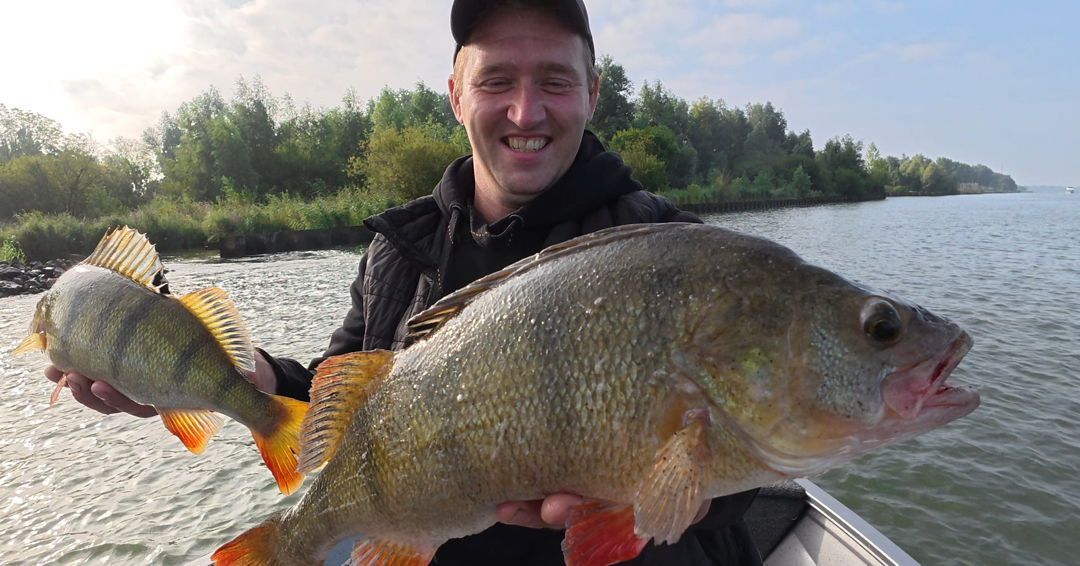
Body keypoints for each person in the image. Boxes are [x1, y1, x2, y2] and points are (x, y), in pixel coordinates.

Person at [45, 0, 761, 563]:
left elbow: (751, 459)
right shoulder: (398, 249)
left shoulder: (678, 260)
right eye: (496, 80)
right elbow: (341, 400)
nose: (526, 111)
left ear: (592, 93)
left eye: (555, 80)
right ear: (456, 96)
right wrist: (238, 377)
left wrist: (684, 495)